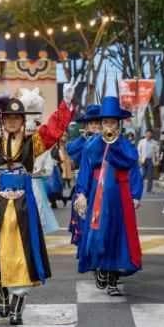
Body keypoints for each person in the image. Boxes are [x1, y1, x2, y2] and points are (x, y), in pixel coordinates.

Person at [0, 83, 76, 325]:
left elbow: (54, 130)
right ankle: (1, 288)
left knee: (23, 251)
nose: (12, 122)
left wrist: (66, 104)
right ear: (2, 121)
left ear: (23, 120)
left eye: (16, 118)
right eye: (8, 118)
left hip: (24, 205)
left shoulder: (33, 143)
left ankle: (18, 303)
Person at [74, 96, 143, 297]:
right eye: (105, 122)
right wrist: (81, 194)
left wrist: (136, 194)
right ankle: (100, 268)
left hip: (120, 197)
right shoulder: (92, 145)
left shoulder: (126, 146)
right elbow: (85, 171)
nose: (108, 126)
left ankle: (113, 278)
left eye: (112, 122)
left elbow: (133, 168)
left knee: (118, 235)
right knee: (98, 234)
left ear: (118, 124)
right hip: (97, 194)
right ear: (101, 123)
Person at [66, 104, 101, 245]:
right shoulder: (83, 140)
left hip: (101, 182)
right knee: (83, 217)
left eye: (97, 123)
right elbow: (70, 150)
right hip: (84, 182)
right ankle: (84, 247)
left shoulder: (107, 140)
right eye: (91, 123)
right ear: (86, 125)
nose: (94, 126)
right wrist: (82, 138)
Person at [137, 129, 159, 194]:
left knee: (150, 175)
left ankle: (149, 189)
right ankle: (138, 187)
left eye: (150, 134)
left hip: (150, 160)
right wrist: (139, 158)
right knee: (143, 174)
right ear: (145, 134)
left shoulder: (154, 142)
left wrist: (157, 160)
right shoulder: (141, 141)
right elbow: (138, 150)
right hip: (143, 159)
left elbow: (157, 152)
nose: (148, 135)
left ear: (151, 134)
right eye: (147, 133)